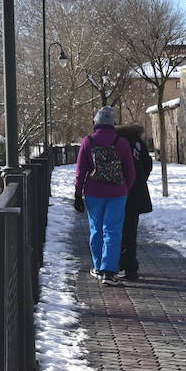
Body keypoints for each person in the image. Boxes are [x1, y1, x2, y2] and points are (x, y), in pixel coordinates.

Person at [73, 106, 135, 285]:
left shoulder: (88, 141)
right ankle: (109, 271)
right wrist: (125, 190)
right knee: (113, 231)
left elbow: (81, 171)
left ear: (96, 122)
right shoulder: (121, 142)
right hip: (117, 193)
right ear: (112, 123)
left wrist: (78, 193)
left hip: (94, 192)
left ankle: (98, 266)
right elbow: (130, 172)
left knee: (96, 229)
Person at [114, 124, 153, 280]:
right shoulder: (137, 141)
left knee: (120, 230)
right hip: (137, 192)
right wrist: (141, 179)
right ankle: (130, 265)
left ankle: (124, 264)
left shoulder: (117, 141)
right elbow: (148, 163)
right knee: (131, 229)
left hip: (121, 190)